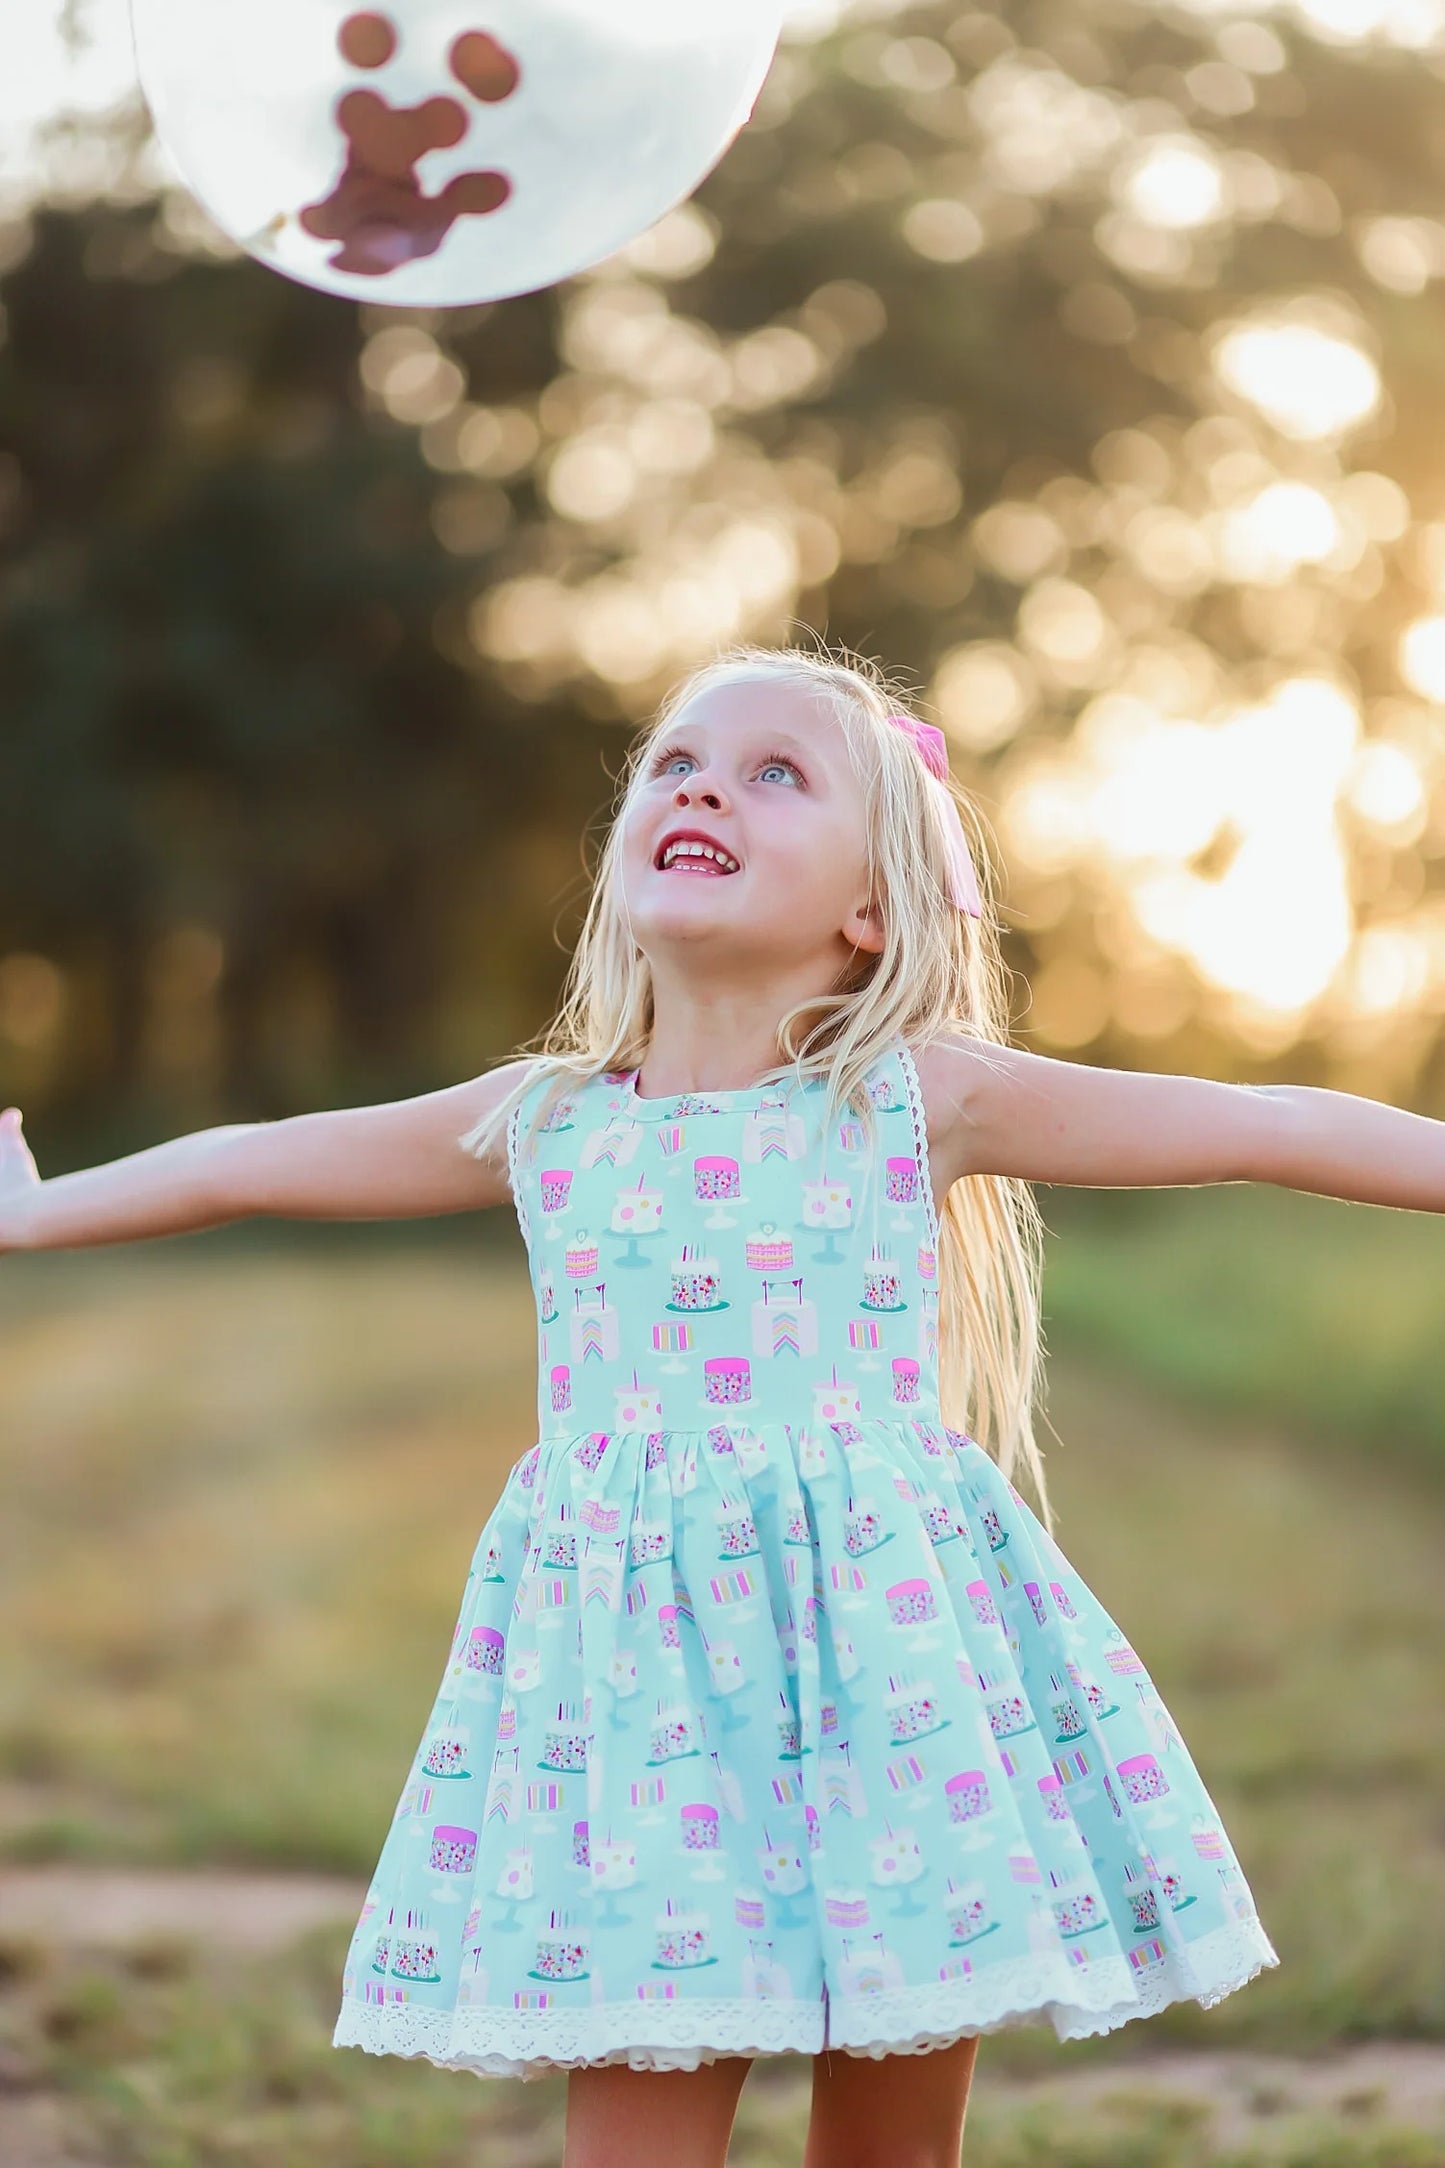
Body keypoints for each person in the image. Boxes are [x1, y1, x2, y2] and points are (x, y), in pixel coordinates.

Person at [4, 642, 1442, 2168]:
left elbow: (1264, 1123)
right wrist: (35, 1212)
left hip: (890, 1668)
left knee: (888, 2146)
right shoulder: (544, 1120)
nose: (700, 783)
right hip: (635, 1694)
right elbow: (253, 1158)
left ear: (869, 910)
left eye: (775, 773)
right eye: (676, 763)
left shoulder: (909, 1095)